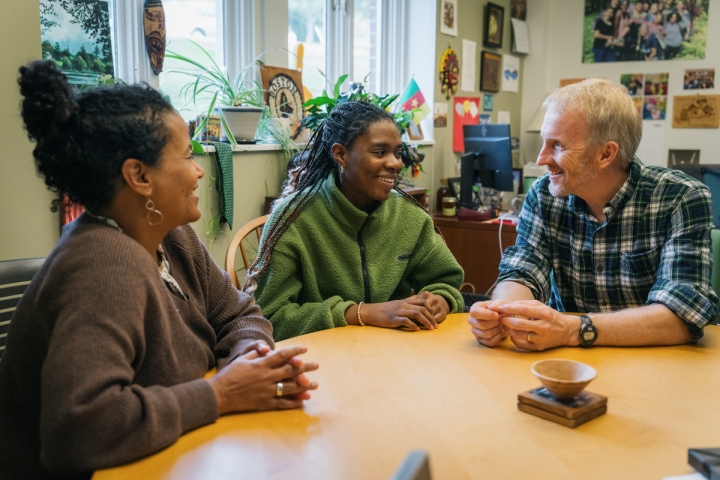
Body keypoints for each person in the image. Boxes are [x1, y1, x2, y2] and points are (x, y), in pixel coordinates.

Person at [0, 61, 319, 479]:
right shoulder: (102, 264)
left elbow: (239, 314)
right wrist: (220, 394)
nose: (199, 169)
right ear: (139, 176)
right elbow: (79, 431)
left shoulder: (170, 236)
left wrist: (250, 360)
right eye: (187, 155)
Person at [467, 78, 717, 351]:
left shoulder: (682, 197)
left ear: (606, 154)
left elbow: (683, 316)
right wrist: (502, 313)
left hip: (656, 364)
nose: (541, 158)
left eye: (557, 145)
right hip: (568, 364)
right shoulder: (544, 196)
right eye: (543, 142)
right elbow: (522, 271)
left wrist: (574, 330)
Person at [248, 101, 464, 341]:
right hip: (319, 359)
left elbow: (445, 280)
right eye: (380, 152)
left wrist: (441, 300)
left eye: (398, 153)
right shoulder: (291, 220)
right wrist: (359, 313)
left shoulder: (409, 216)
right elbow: (270, 318)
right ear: (340, 154)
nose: (395, 164)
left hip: (396, 354)